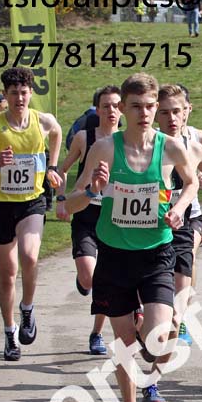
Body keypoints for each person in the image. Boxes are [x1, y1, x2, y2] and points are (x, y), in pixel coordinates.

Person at [63, 72, 200, 402]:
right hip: (114, 256)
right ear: (123, 109)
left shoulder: (170, 147)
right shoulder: (105, 149)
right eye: (136, 106)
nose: (144, 113)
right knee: (124, 343)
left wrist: (179, 207)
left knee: (159, 343)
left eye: (150, 106)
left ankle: (145, 324)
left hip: (156, 254)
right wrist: (92, 190)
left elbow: (191, 182)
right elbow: (70, 204)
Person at [0, 68, 63, 361]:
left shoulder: (43, 121)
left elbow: (57, 133)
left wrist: (52, 167)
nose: (19, 98)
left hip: (32, 202)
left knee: (29, 256)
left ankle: (27, 308)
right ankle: (9, 331)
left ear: (31, 94)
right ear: (5, 95)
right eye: (14, 93)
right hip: (1, 205)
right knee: (7, 274)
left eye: (24, 93)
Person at [150, 83, 202, 402]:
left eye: (177, 112)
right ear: (155, 114)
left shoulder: (193, 146)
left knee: (174, 314)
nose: (171, 118)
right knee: (151, 319)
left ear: (187, 113)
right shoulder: (146, 147)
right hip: (145, 231)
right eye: (164, 112)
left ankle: (152, 381)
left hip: (184, 225)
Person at [56, 86, 122, 356]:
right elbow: (62, 170)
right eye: (106, 106)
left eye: (116, 105)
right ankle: (83, 281)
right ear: (97, 109)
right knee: (88, 278)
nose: (111, 111)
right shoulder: (85, 138)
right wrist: (61, 199)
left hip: (113, 218)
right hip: (85, 214)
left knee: (102, 279)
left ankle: (96, 333)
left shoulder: (127, 141)